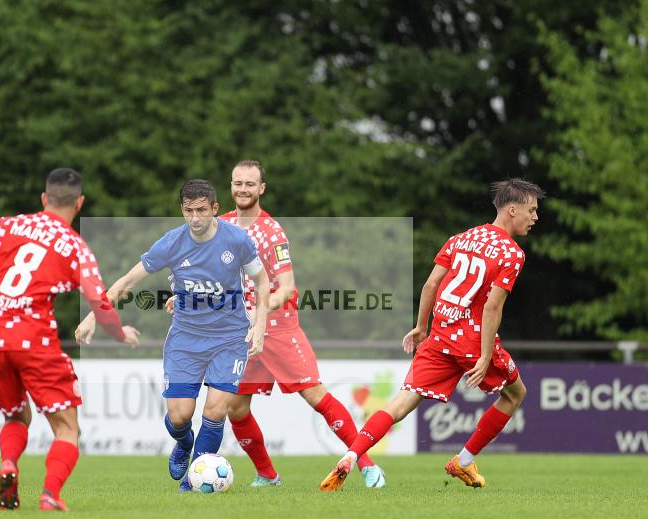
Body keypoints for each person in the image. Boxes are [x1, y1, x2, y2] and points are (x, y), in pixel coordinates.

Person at [0, 168, 140, 511]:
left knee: (16, 417)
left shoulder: (7, 226)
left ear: (44, 199)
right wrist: (120, 334)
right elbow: (99, 302)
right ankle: (50, 494)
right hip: (33, 340)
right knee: (67, 429)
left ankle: (9, 464)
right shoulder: (76, 248)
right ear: (80, 203)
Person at [320, 178, 544, 491]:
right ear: (511, 209)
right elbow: (492, 307)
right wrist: (484, 355)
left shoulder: (460, 238)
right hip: (471, 341)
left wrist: (420, 326)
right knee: (516, 393)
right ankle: (463, 461)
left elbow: (430, 285)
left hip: (439, 336)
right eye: (531, 210)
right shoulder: (511, 253)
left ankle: (352, 454)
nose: (534, 218)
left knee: (398, 404)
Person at [76, 179, 270, 491]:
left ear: (215, 209)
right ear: (182, 209)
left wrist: (259, 325)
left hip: (230, 338)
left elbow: (262, 282)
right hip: (185, 339)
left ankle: (195, 478)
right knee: (180, 416)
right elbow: (127, 281)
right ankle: (183, 442)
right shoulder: (171, 243)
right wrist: (92, 316)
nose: (195, 218)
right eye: (189, 210)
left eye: (202, 210)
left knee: (216, 409)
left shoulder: (237, 240)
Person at [214, 160, 386, 488]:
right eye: (238, 183)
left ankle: (366, 465)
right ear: (231, 185)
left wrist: (260, 312)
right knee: (235, 407)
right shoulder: (220, 226)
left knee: (314, 394)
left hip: (278, 327)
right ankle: (267, 474)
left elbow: (288, 287)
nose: (243, 189)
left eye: (250, 184)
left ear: (261, 188)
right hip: (241, 331)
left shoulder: (272, 232)